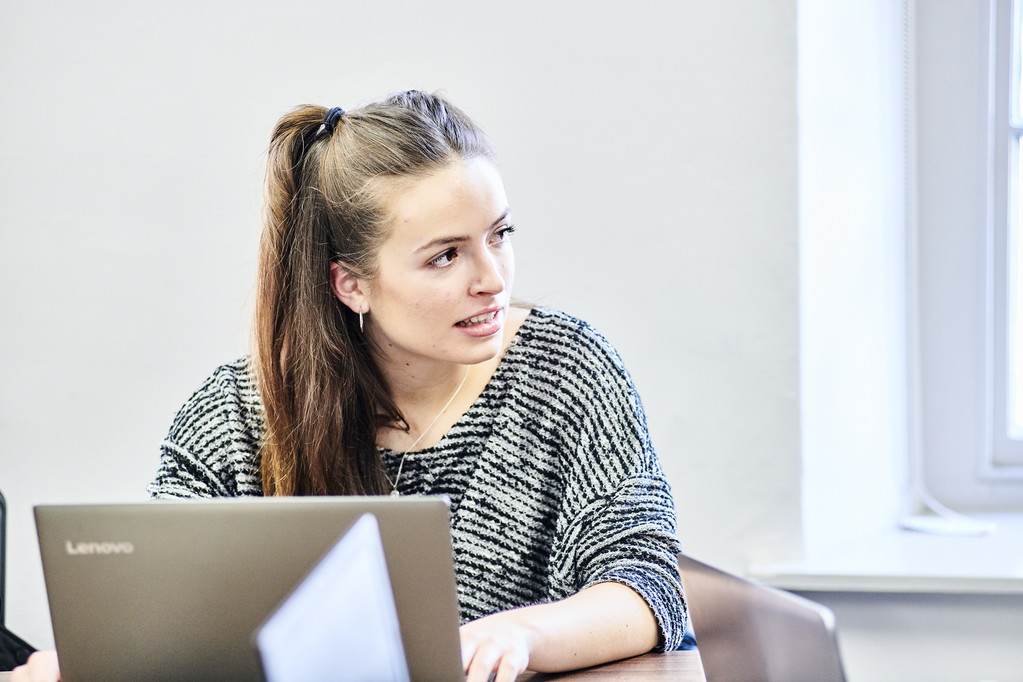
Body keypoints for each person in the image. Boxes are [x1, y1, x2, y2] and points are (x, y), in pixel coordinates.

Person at [15, 91, 686, 682]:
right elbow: (156, 619)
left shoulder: (566, 367)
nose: (492, 278)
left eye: (499, 234)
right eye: (445, 255)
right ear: (351, 284)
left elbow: (646, 587)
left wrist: (517, 634)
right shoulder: (235, 414)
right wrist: (87, 662)